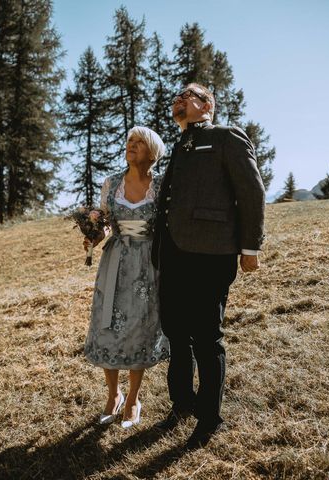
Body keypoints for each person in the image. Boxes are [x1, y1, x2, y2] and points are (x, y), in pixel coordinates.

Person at [152, 83, 265, 449]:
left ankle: (209, 418)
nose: (178, 99)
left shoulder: (226, 137)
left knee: (206, 336)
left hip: (210, 255)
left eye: (187, 95)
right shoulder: (180, 146)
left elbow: (252, 191)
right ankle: (181, 402)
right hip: (171, 255)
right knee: (175, 333)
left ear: (207, 105)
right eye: (177, 97)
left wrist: (250, 248)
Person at [84, 126, 170, 428]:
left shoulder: (160, 186)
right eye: (129, 141)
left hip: (148, 263)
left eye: (138, 142)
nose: (131, 145)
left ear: (153, 152)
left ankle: (133, 397)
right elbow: (106, 223)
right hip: (115, 261)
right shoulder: (112, 183)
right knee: (107, 324)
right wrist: (94, 234)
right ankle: (113, 394)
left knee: (138, 327)